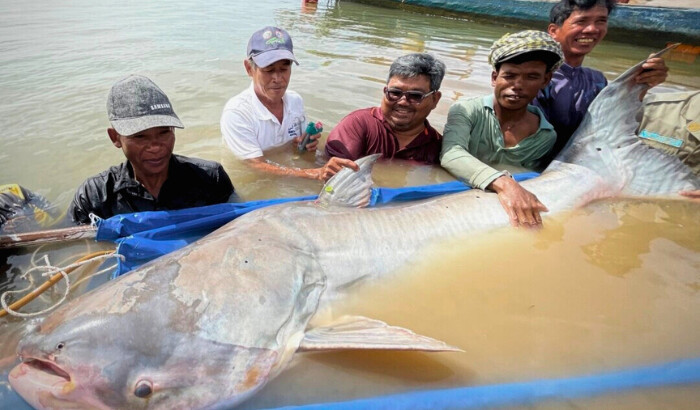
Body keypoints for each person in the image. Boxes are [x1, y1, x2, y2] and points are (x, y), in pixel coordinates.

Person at [69, 75, 235, 224]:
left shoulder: (211, 179)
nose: (155, 146)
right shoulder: (93, 196)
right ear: (115, 138)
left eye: (164, 132)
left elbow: (237, 226)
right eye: (140, 137)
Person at [441, 31, 564, 227]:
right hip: (453, 203)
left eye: (531, 77)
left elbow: (528, 177)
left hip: (494, 208)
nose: (517, 85)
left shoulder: (545, 134)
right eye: (510, 75)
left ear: (546, 80)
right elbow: (451, 154)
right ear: (494, 77)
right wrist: (505, 184)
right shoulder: (466, 109)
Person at [534, 0, 668, 162]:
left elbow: (611, 123)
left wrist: (642, 83)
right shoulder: (535, 78)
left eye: (601, 21)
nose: (592, 29)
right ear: (553, 31)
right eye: (581, 21)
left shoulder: (596, 80)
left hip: (583, 162)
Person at [221, 26, 358, 181]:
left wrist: (305, 146)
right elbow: (255, 166)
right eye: (269, 70)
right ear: (249, 69)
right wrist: (315, 173)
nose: (278, 78)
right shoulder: (237, 112)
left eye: (284, 69)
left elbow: (298, 148)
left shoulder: (295, 101)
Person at [325, 53, 445, 163]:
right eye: (395, 93)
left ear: (435, 99)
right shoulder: (359, 124)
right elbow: (326, 169)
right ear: (385, 91)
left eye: (415, 96)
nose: (403, 102)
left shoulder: (439, 148)